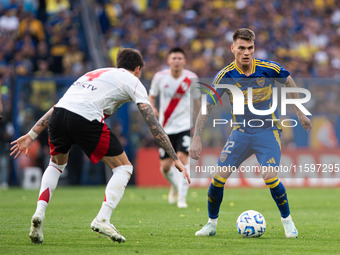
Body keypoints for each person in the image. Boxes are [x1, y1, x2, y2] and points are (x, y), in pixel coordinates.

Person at [10, 48, 190, 245]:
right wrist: (174, 158)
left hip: (60, 115)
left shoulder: (93, 74)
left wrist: (32, 134)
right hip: (85, 118)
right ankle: (103, 218)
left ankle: (39, 212)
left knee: (56, 164)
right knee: (124, 167)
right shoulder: (133, 81)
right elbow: (152, 123)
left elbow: (57, 107)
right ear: (137, 69)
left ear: (118, 64)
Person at [190, 28, 312, 238]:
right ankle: (211, 224)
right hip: (240, 134)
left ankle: (288, 222)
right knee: (218, 178)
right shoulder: (225, 75)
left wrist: (300, 112)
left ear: (254, 48)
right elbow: (207, 106)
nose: (246, 52)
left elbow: (288, 79)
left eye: (250, 48)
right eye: (241, 48)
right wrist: (197, 137)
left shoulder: (267, 68)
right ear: (233, 48)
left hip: (267, 132)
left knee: (270, 176)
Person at [149, 47, 199, 208]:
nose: (176, 61)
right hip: (165, 128)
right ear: (168, 60)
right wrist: (152, 108)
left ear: (184, 61)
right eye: (174, 58)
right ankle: (176, 186)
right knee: (165, 167)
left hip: (184, 126)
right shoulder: (159, 77)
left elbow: (197, 101)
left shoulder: (192, 78)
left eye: (179, 58)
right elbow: (152, 96)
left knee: (183, 160)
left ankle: (181, 199)